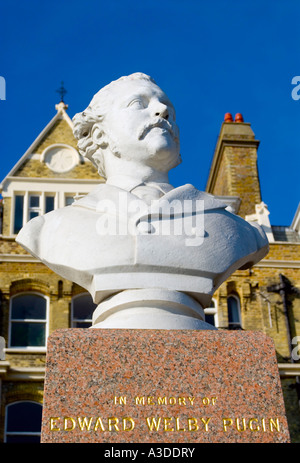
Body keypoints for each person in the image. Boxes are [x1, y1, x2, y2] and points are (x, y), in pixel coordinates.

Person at [16, 73, 268, 322]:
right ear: (99, 134)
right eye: (138, 104)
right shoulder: (48, 230)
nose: (162, 111)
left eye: (168, 107)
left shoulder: (236, 229)